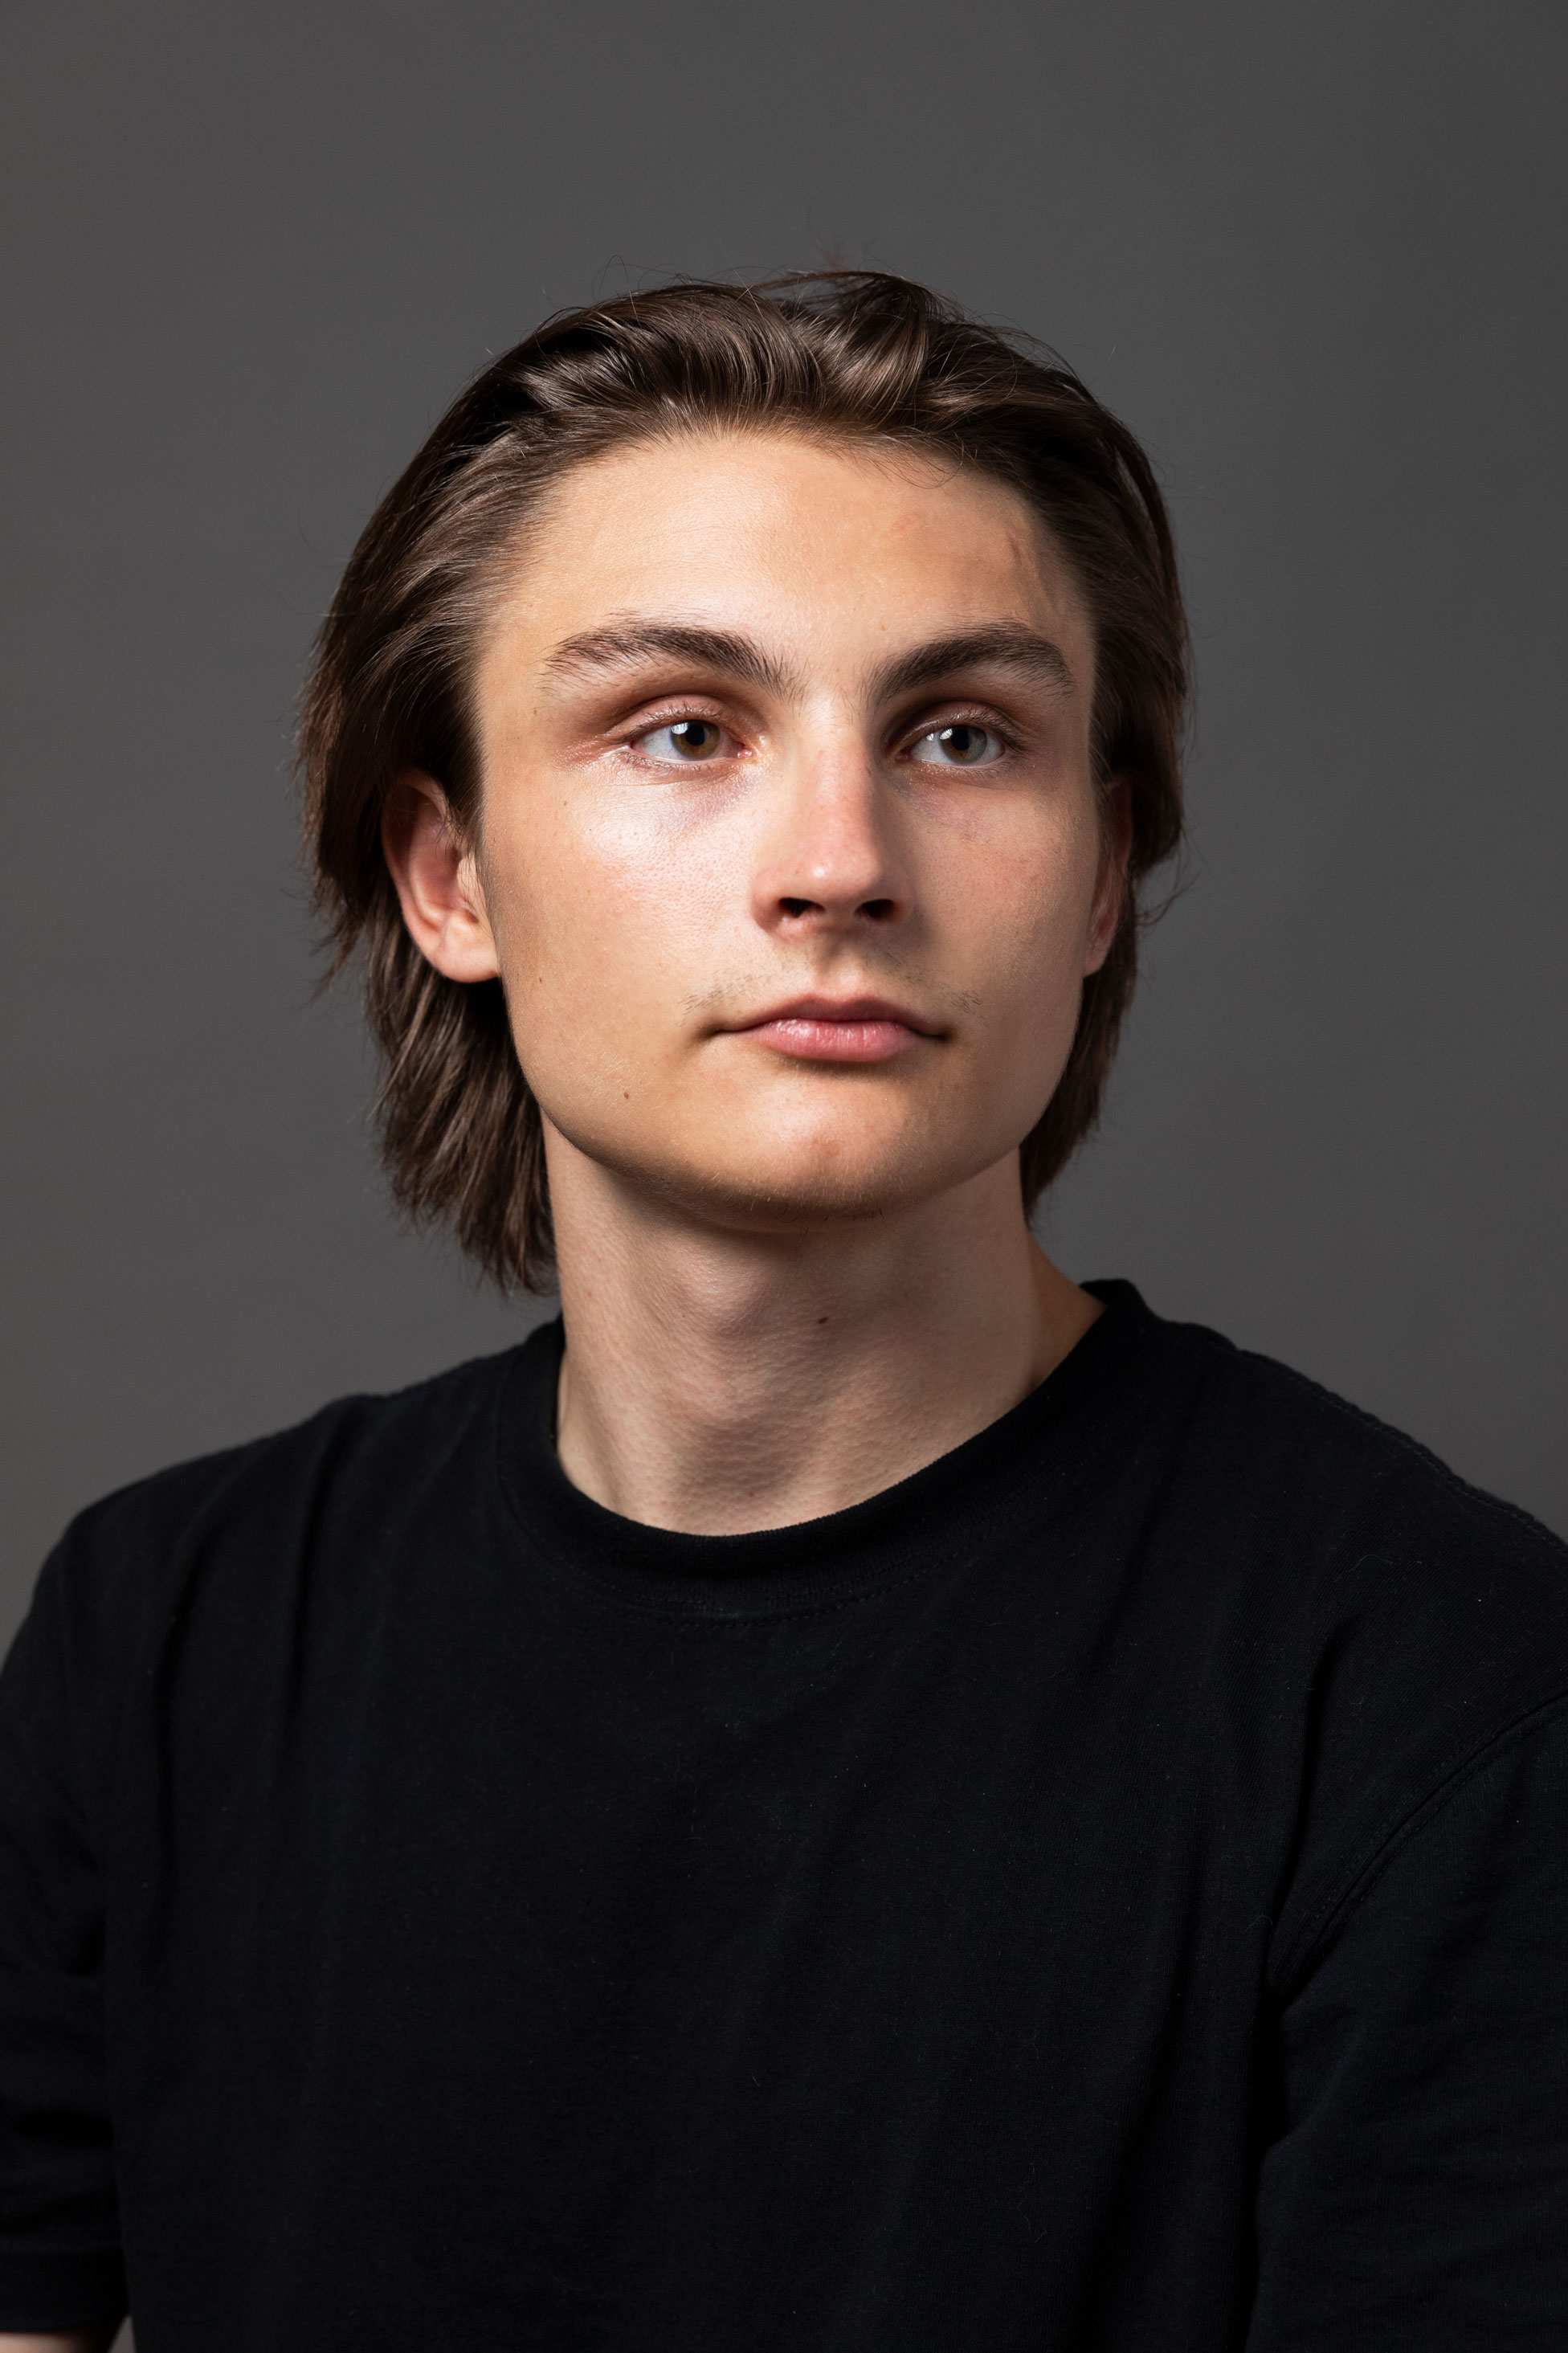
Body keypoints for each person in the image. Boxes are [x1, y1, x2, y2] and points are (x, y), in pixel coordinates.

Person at [0, 272, 1563, 2353]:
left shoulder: (1445, 1691)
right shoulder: (160, 1637)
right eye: (683, 730)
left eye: (961, 735)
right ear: (451, 876)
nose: (840, 862)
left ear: (1102, 877)